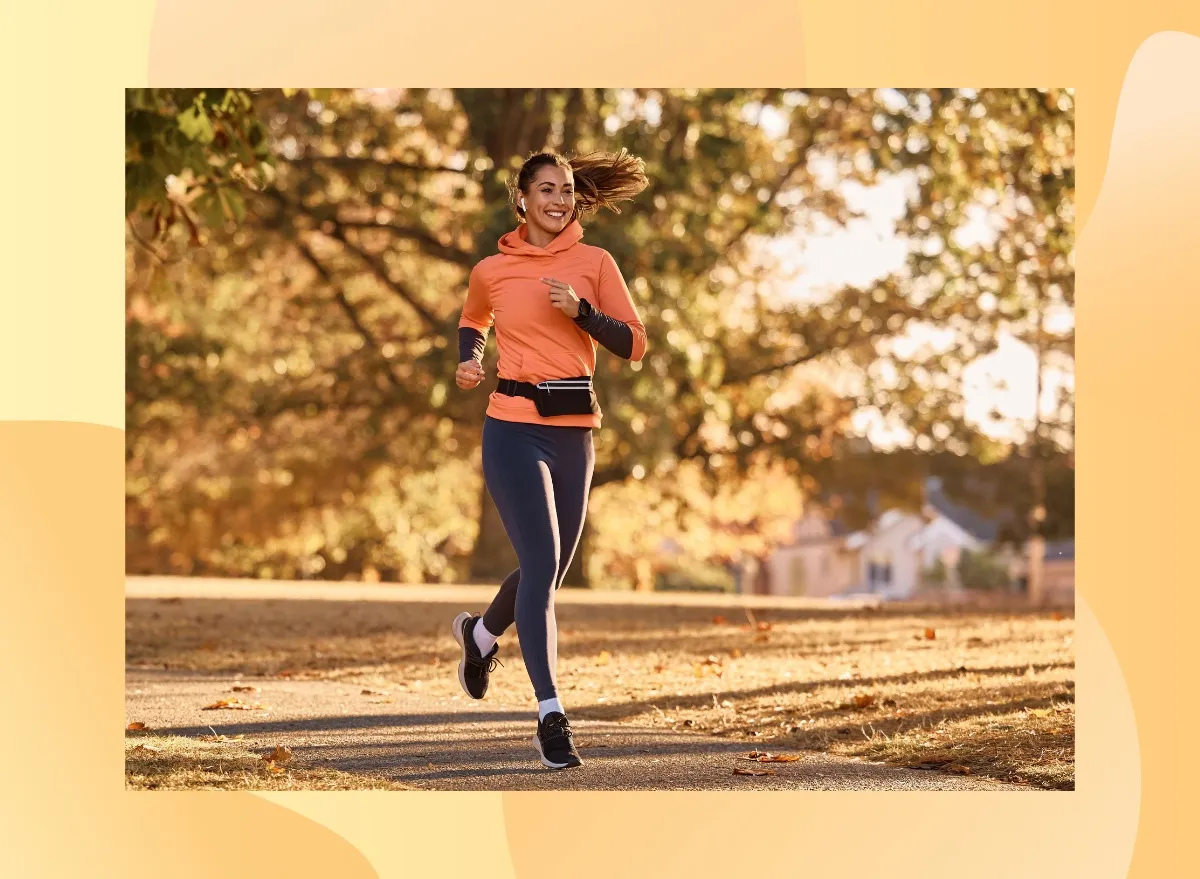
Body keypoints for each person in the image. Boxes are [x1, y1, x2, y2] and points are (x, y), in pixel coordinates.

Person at [451, 148, 649, 769]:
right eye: (546, 190)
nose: (559, 200)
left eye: (566, 191)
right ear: (522, 198)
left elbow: (635, 344)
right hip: (511, 427)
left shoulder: (595, 263)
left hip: (573, 431)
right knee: (540, 562)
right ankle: (550, 714)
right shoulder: (492, 269)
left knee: (550, 570)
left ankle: (481, 636)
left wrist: (584, 314)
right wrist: (470, 358)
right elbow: (471, 319)